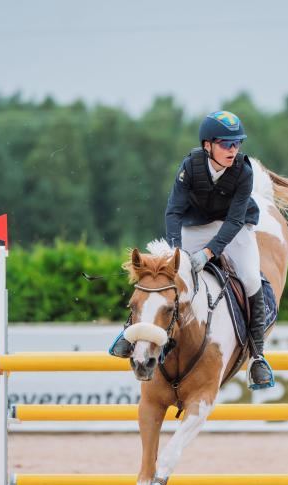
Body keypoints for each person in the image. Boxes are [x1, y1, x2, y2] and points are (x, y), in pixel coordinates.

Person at [110, 110, 274, 390]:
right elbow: (173, 211)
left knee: (249, 278)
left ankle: (257, 355)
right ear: (207, 145)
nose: (233, 150)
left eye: (236, 144)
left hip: (235, 228)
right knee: (162, 272)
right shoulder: (190, 166)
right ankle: (131, 332)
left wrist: (208, 254)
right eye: (226, 144)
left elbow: (234, 220)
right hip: (196, 227)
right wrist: (176, 253)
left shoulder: (243, 172)